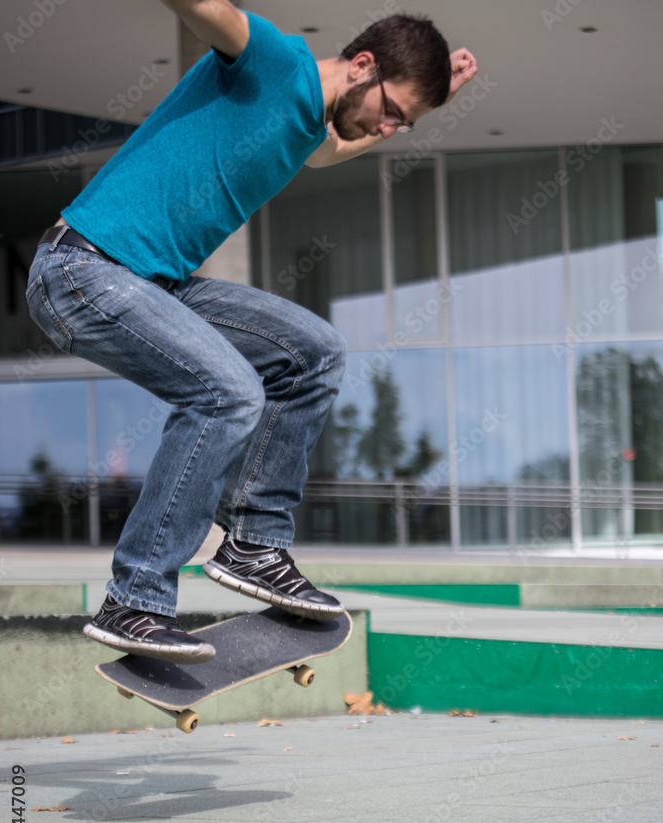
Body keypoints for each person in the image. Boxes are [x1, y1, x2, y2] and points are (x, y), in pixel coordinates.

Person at [26, 0, 477, 664]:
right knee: (230, 393)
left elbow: (329, 153)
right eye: (391, 111)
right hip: (81, 270)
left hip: (150, 282)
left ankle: (254, 545)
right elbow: (206, 10)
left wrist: (424, 101)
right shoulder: (271, 59)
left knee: (313, 352)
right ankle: (136, 597)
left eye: (400, 125)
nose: (388, 126)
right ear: (361, 64)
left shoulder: (307, 126)